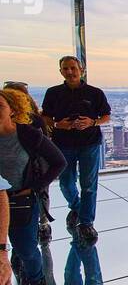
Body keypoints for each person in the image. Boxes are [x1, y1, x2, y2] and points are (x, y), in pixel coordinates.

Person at [0, 88, 64, 285]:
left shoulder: (27, 134)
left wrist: (33, 188)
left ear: (12, 110)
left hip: (21, 201)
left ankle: (36, 282)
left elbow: (58, 162)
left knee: (26, 249)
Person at [41, 56, 110, 245]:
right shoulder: (53, 93)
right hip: (63, 143)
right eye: (65, 68)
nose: (70, 72)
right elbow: (45, 117)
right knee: (66, 182)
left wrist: (92, 122)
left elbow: (106, 116)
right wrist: (57, 124)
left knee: (89, 185)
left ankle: (87, 222)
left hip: (90, 143)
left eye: (73, 68)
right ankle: (77, 207)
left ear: (82, 70)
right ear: (61, 71)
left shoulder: (95, 93)